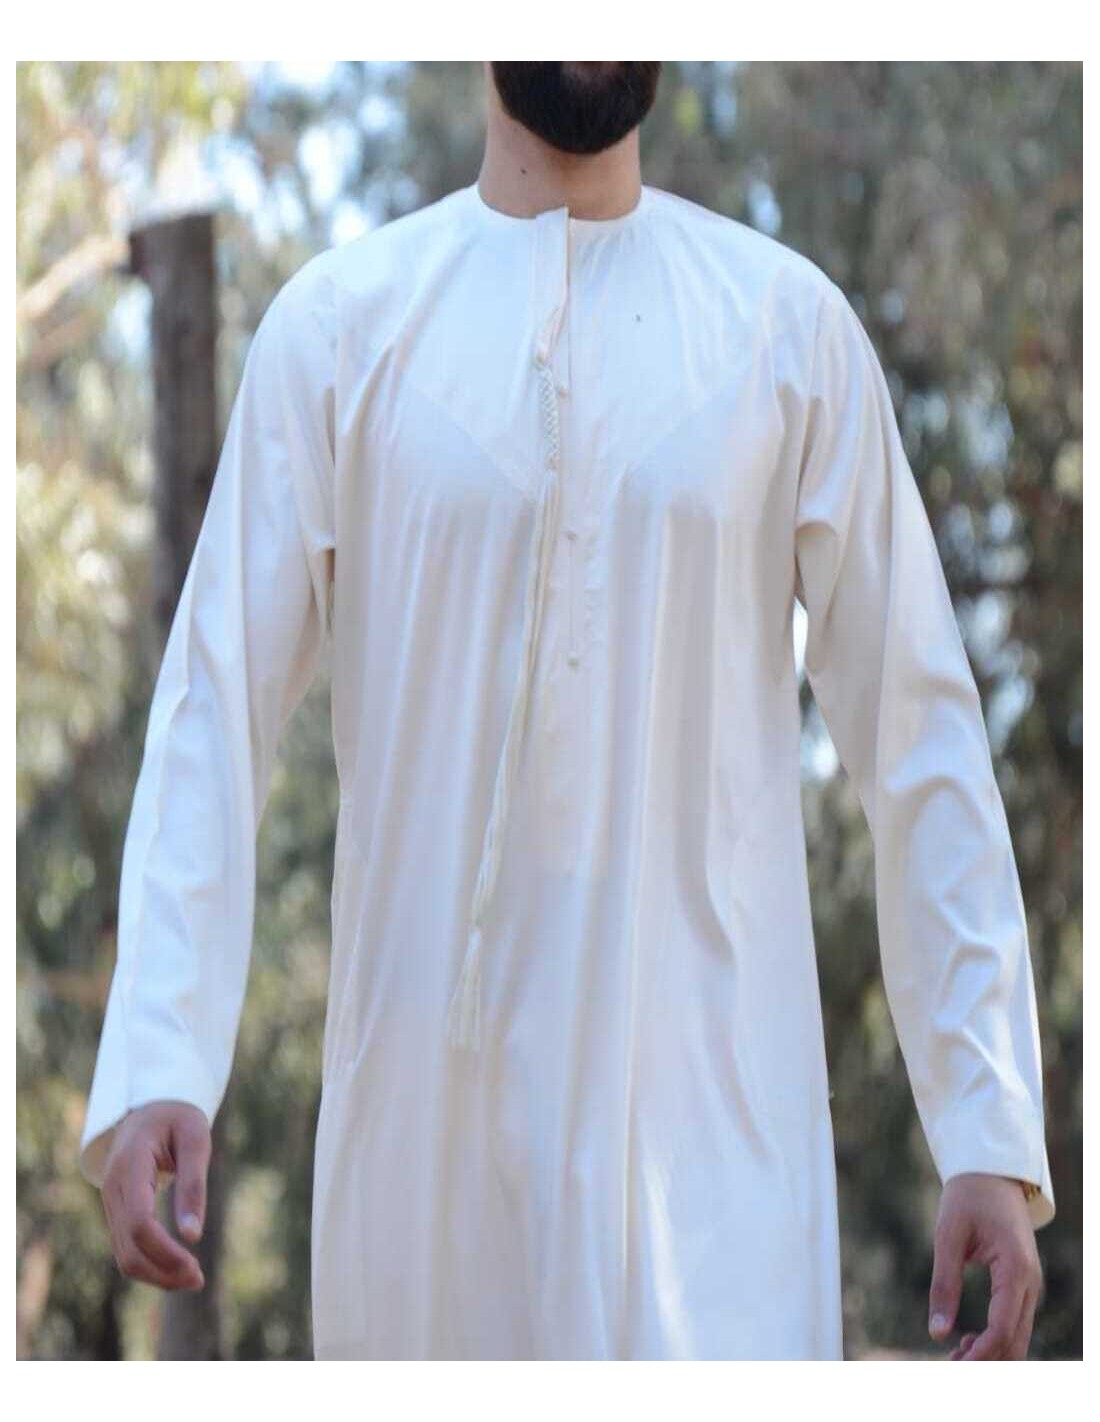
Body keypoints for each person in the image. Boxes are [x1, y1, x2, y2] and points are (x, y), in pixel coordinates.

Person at [78, 61, 1055, 1360]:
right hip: (425, 1207)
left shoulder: (786, 333)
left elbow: (918, 732)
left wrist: (986, 1124)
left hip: (722, 1207)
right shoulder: (339, 331)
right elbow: (212, 714)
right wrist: (159, 1055)